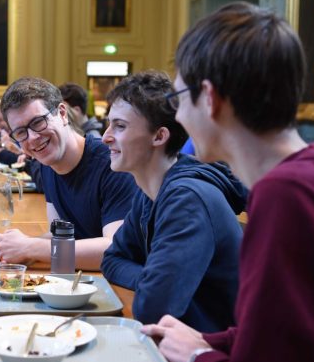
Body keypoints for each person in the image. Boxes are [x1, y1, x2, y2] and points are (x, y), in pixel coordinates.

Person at [140, 2, 314, 362]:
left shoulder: (284, 197)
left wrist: (196, 358)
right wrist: (211, 341)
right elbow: (297, 329)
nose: (178, 115)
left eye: (178, 98)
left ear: (209, 97)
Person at [100, 70, 245, 332]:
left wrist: (151, 284)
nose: (105, 136)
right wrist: (150, 279)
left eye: (119, 126)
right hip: (183, 340)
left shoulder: (187, 200)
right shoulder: (150, 190)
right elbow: (111, 260)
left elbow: (153, 310)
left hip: (215, 354)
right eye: (108, 124)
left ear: (159, 136)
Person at [0, 77, 138, 270]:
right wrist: (13, 248)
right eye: (20, 133)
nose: (33, 138)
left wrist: (30, 247)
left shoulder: (112, 164)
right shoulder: (47, 163)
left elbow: (115, 249)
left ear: (62, 113)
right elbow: (60, 235)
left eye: (38, 122)